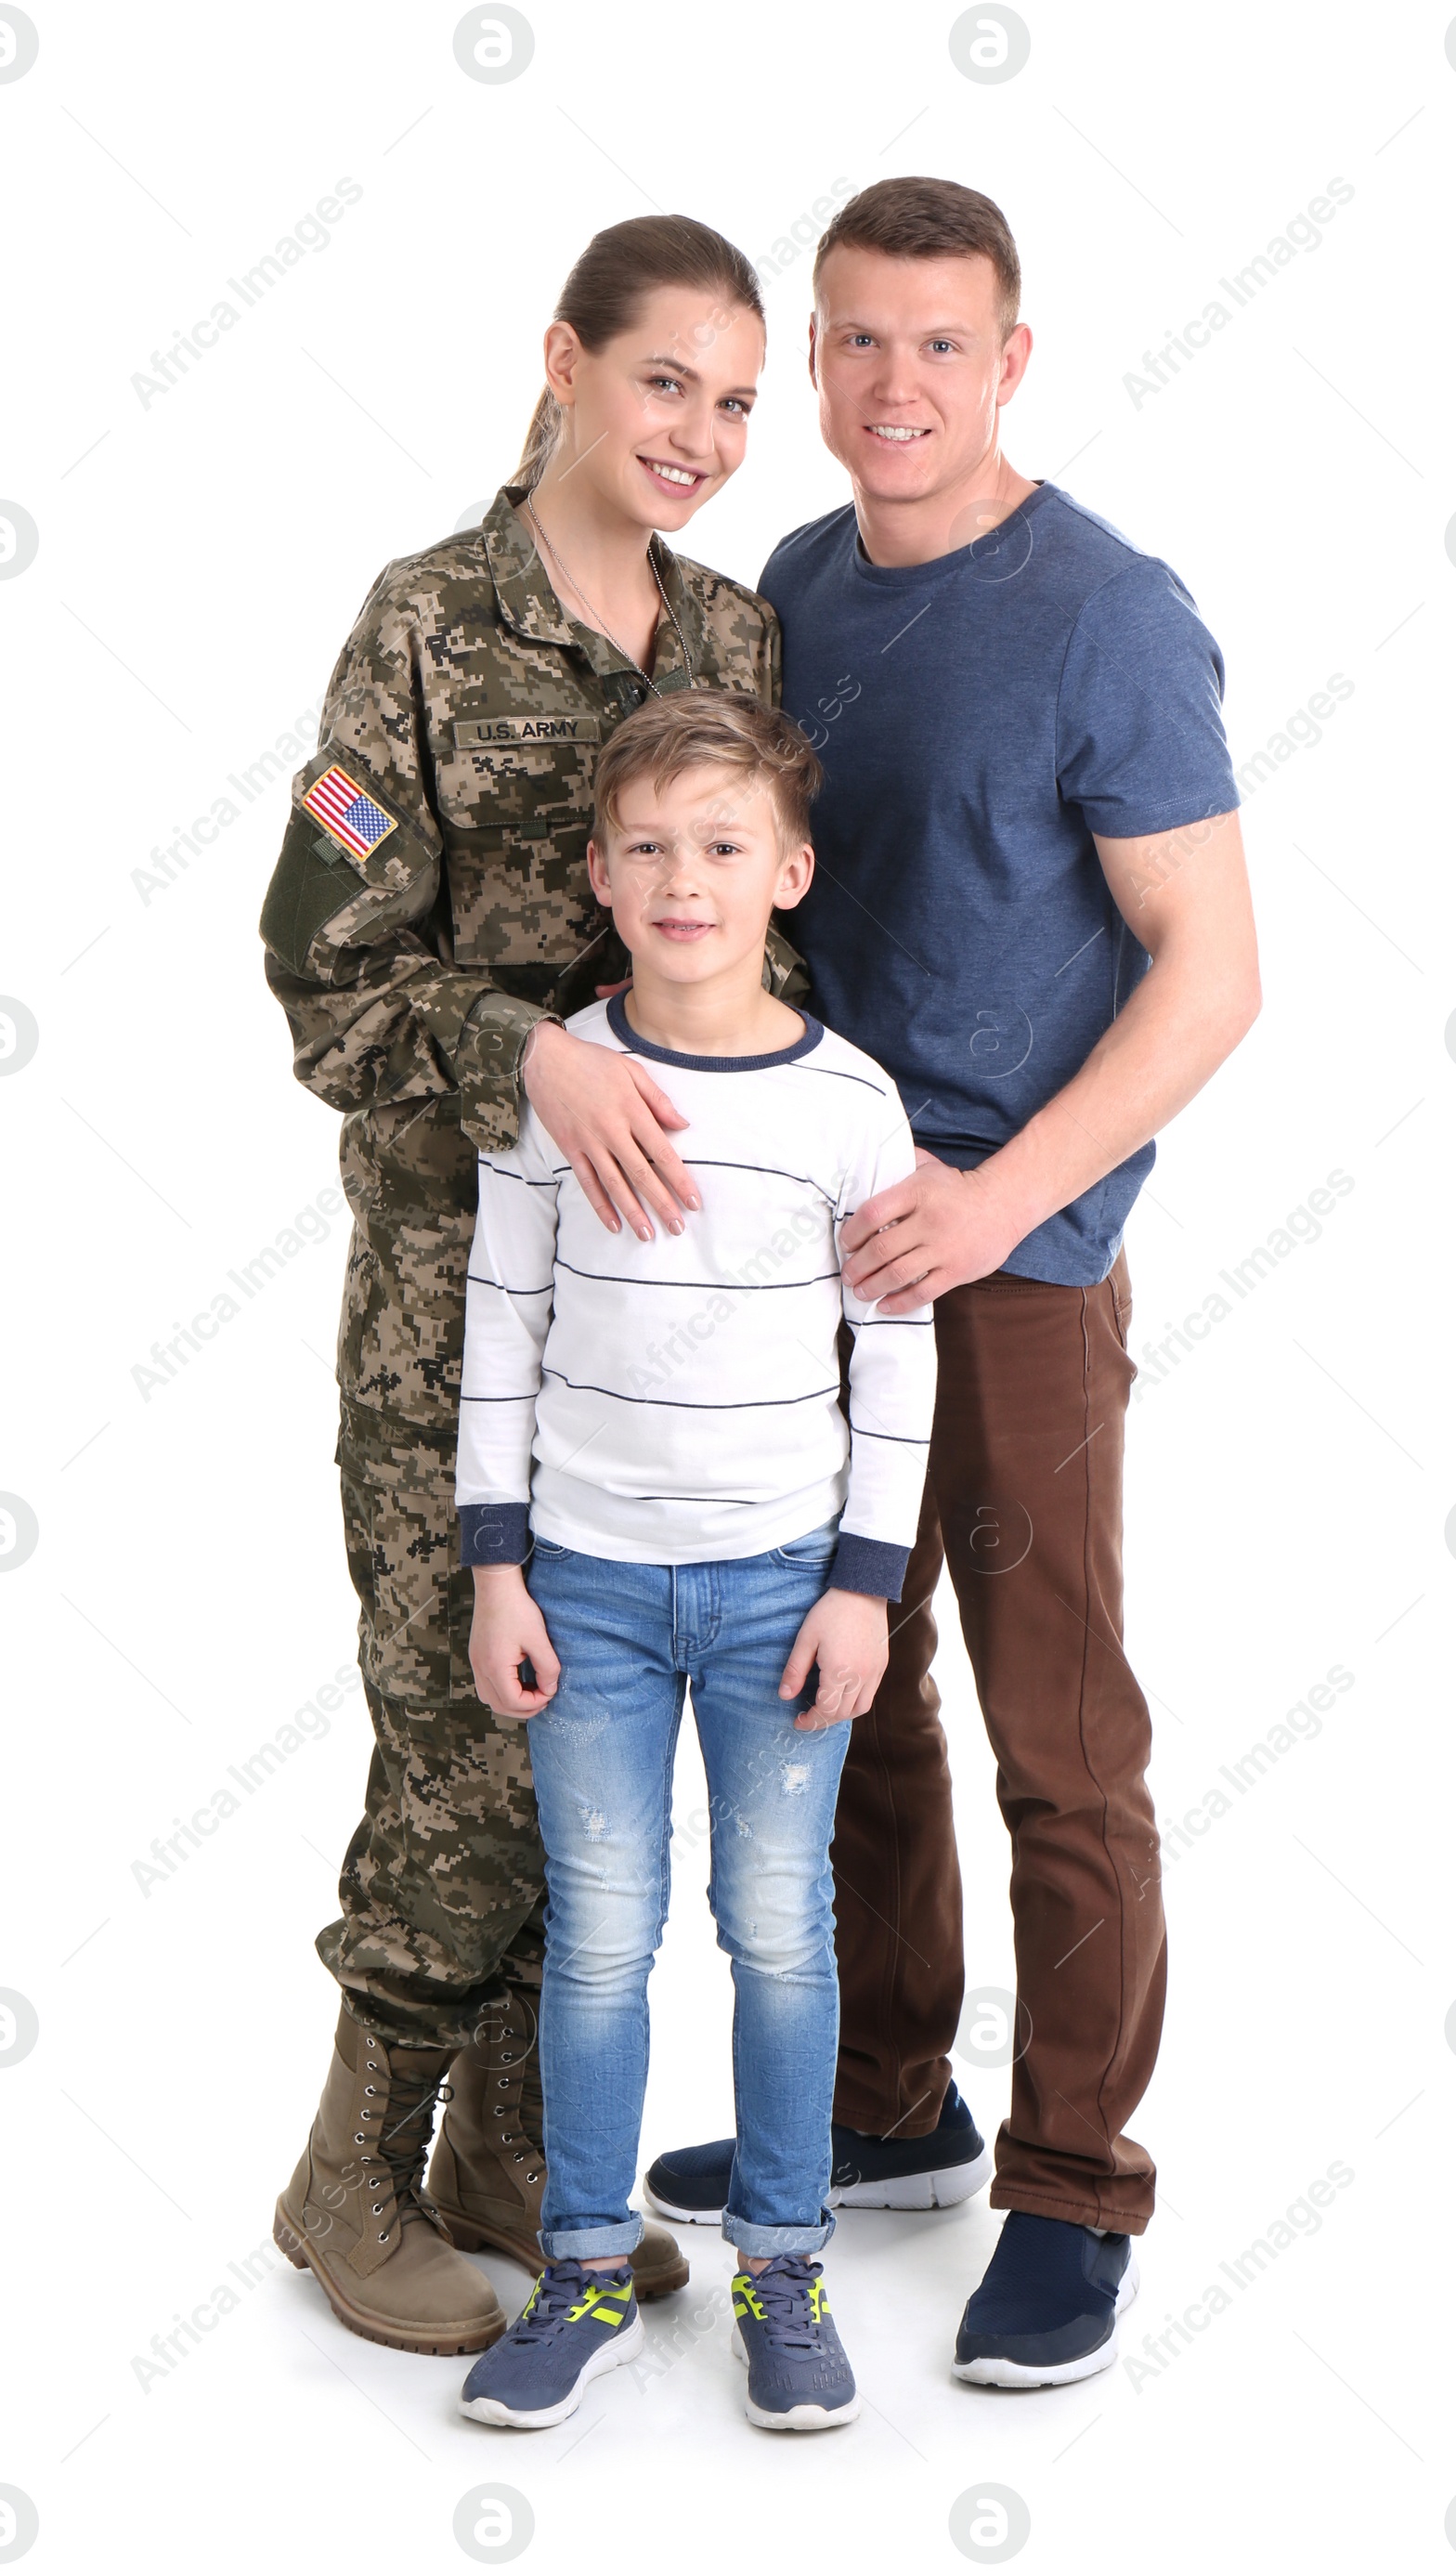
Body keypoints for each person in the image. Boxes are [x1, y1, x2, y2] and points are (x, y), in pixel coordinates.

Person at [643, 176, 1262, 2389]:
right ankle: (889, 2103)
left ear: (1010, 360)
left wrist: (1002, 1206)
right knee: (846, 1678)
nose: (890, 384)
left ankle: (1071, 2184)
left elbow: (1214, 971)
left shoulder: (1104, 612)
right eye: (852, 342)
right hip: (802, 1248)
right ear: (812, 364)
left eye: (936, 343)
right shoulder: (801, 581)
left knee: (1057, 1737)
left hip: (1006, 1263)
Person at [262, 214, 806, 2356]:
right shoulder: (419, 623)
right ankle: (347, 2175)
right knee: (462, 1736)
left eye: (737, 400)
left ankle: (511, 2151)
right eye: (665, 380)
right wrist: (532, 1053)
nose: (699, 433)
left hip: (663, 1299)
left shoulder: (736, 643)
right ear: (565, 364)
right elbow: (320, 977)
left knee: (596, 1746)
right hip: (451, 1290)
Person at [453, 691, 935, 2434]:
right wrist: (498, 1569)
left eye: (723, 846)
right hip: (580, 1581)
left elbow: (898, 1351)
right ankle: (584, 2262)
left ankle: (782, 2262)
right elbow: (500, 1325)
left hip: (778, 1591)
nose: (684, 879)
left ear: (789, 873)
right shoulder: (565, 1083)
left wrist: (864, 1583)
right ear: (598, 869)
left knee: (778, 1930)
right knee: (601, 1935)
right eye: (647, 846)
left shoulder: (848, 1104)